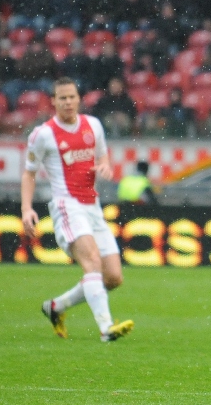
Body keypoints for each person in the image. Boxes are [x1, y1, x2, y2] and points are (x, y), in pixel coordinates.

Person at [21, 77, 133, 343]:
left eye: (71, 97)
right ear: (54, 101)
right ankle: (106, 328)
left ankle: (56, 307)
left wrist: (105, 166)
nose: (68, 102)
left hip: (92, 206)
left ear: (79, 98)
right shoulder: (43, 134)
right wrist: (26, 208)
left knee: (113, 277)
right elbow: (29, 173)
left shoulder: (93, 125)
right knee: (92, 263)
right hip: (66, 207)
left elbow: (103, 155)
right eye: (62, 98)